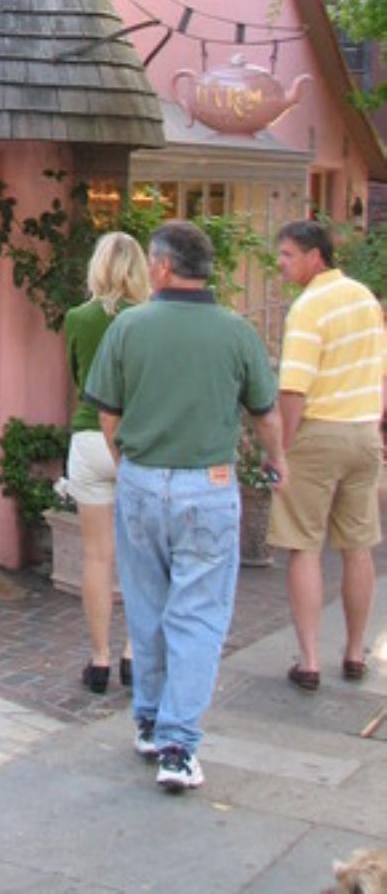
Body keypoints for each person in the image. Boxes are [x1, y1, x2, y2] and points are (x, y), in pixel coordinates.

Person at [87, 221, 286, 794]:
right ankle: (178, 745)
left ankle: (150, 721)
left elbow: (107, 411)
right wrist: (277, 460)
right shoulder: (236, 331)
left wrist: (128, 464)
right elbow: (265, 413)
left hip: (142, 478)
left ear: (163, 267)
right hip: (209, 483)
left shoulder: (129, 326)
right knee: (198, 614)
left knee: (146, 605)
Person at [267, 218, 385, 691]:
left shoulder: (308, 307)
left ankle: (310, 659)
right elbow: (379, 368)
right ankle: (355, 652)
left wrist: (282, 448)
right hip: (363, 430)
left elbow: (294, 387)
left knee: (304, 545)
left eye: (288, 255)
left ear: (315, 257)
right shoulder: (364, 298)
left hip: (319, 431)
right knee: (358, 546)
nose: (281, 264)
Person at [64, 231, 150, 693]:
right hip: (137, 440)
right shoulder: (151, 320)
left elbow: (78, 375)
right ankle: (133, 653)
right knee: (140, 554)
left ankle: (99, 659)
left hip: (89, 436)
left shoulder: (79, 318)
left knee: (96, 555)